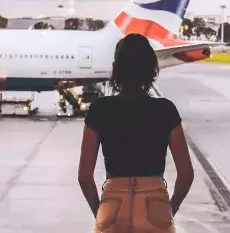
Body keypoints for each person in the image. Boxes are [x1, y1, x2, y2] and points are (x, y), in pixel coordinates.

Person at [78, 33, 194, 232]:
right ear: (151, 70)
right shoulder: (166, 109)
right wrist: (168, 211)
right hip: (156, 205)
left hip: (113, 205)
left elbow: (84, 176)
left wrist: (100, 211)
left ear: (116, 70)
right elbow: (186, 174)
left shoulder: (100, 109)